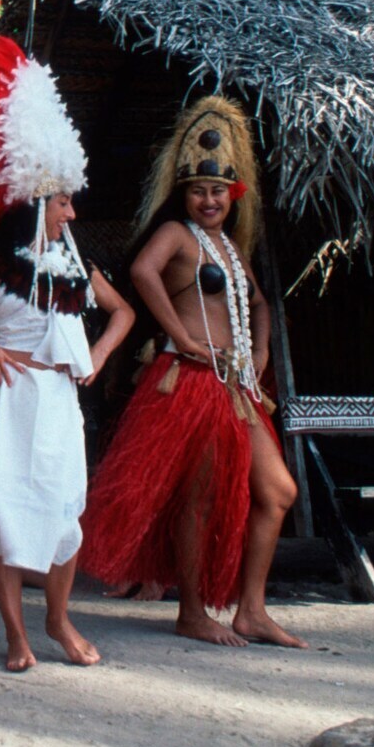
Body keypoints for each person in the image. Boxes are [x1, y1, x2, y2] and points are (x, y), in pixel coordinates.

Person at [0, 33, 135, 670]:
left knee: (66, 508)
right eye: (65, 201)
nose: (72, 212)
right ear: (40, 199)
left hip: (58, 396)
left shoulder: (76, 263)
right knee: (2, 514)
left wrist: (96, 356)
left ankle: (58, 619)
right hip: (6, 395)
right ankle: (16, 636)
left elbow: (124, 311)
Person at [79, 96, 307, 649]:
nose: (209, 199)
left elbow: (259, 305)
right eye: (200, 191)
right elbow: (142, 270)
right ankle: (191, 610)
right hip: (189, 379)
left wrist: (259, 355)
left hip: (235, 385)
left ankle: (250, 610)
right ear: (184, 194)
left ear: (234, 196)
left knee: (277, 491)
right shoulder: (178, 235)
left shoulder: (229, 246)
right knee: (199, 498)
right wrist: (179, 337)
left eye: (219, 192)